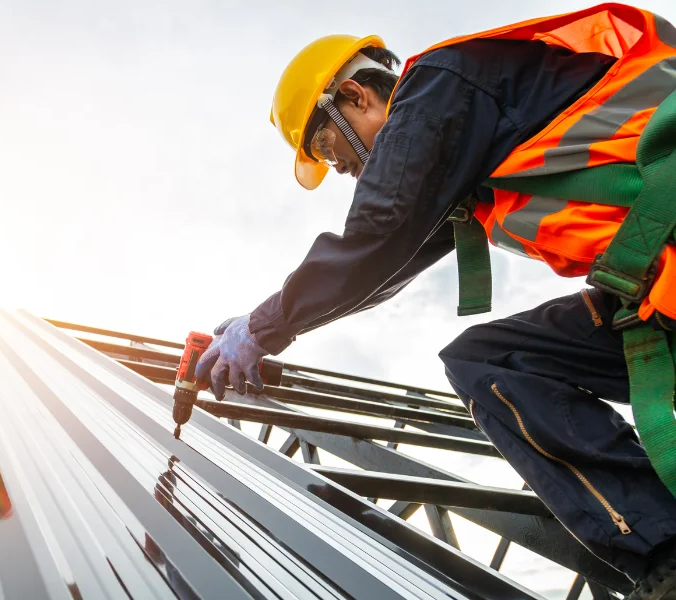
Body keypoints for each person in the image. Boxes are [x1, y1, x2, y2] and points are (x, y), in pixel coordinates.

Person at [195, 5, 676, 598]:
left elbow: (377, 235)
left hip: (666, 274)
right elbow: (382, 269)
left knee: (488, 358)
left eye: (330, 145)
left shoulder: (439, 86)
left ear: (355, 95)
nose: (342, 169)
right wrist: (264, 327)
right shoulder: (468, 157)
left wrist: (264, 326)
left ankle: (664, 547)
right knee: (487, 360)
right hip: (661, 288)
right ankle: (666, 556)